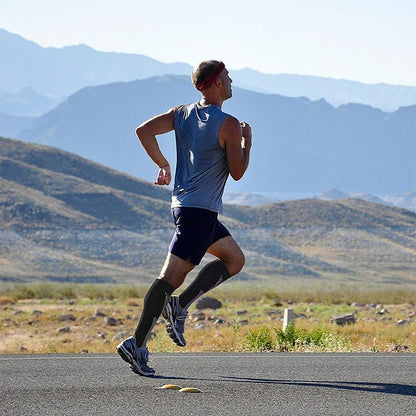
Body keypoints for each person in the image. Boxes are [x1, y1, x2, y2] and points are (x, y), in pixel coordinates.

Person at [117, 60, 252, 376]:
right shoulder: (230, 125)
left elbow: (144, 130)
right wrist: (248, 143)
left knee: (234, 260)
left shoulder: (181, 113)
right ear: (217, 82)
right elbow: (238, 172)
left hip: (185, 207)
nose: (232, 82)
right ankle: (136, 345)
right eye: (228, 77)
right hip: (199, 213)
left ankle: (179, 306)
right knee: (169, 278)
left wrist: (163, 164)